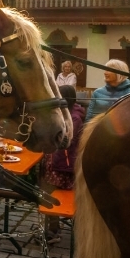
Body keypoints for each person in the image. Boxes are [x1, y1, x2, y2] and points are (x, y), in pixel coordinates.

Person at [42, 85, 84, 241]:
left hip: (62, 165)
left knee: (52, 195)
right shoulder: (69, 113)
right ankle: (53, 229)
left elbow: (64, 139)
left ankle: (53, 232)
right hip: (56, 162)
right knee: (48, 194)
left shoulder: (74, 118)